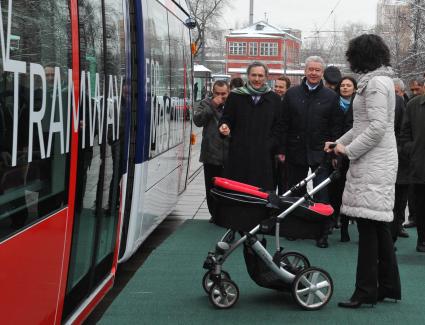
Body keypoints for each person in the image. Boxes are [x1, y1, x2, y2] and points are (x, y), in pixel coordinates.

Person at [326, 34, 401, 308]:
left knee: (369, 228)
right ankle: (388, 286)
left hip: (374, 161)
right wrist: (340, 143)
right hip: (375, 158)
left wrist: (349, 150)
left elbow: (377, 127)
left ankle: (366, 291)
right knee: (377, 225)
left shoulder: (376, 83)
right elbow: (363, 125)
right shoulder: (377, 81)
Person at [281, 56, 343, 248]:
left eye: (317, 70)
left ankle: (322, 233)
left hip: (321, 152)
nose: (314, 73)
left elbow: (336, 127)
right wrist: (282, 150)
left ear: (322, 72)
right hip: (295, 150)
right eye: (311, 69)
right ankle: (294, 228)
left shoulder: (331, 97)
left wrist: (333, 152)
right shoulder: (291, 94)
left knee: (321, 195)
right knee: (295, 191)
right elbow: (283, 124)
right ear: (305, 71)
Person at [219, 61, 282, 191]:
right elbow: (226, 118)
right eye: (254, 75)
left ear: (266, 77)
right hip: (239, 154)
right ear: (248, 76)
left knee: (261, 194)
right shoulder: (235, 96)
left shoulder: (274, 99)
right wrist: (224, 126)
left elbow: (279, 126)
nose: (257, 79)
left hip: (263, 157)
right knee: (238, 192)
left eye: (260, 75)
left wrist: (270, 145)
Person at [193, 80, 230, 222]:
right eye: (217, 93)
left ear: (228, 92)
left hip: (229, 153)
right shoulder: (206, 103)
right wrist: (213, 105)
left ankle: (226, 214)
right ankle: (214, 214)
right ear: (212, 93)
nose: (220, 96)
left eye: (224, 94)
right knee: (211, 186)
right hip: (210, 153)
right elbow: (198, 120)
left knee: (228, 187)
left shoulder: (233, 104)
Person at [328, 76, 356, 242]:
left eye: (349, 85)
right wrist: (333, 153)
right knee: (336, 190)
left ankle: (346, 225)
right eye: (343, 85)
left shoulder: (359, 104)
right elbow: (330, 128)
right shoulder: (333, 103)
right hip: (336, 152)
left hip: (354, 152)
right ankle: (334, 220)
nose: (345, 88)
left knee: (350, 191)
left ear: (354, 88)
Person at [400, 79, 425, 252]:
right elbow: (405, 134)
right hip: (420, 165)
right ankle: (422, 239)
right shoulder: (414, 105)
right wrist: (413, 149)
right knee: (421, 205)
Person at [391, 80, 410, 242]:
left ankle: (398, 225)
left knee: (401, 197)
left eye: (396, 92)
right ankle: (392, 228)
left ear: (402, 93)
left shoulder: (408, 107)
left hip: (403, 159)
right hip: (389, 157)